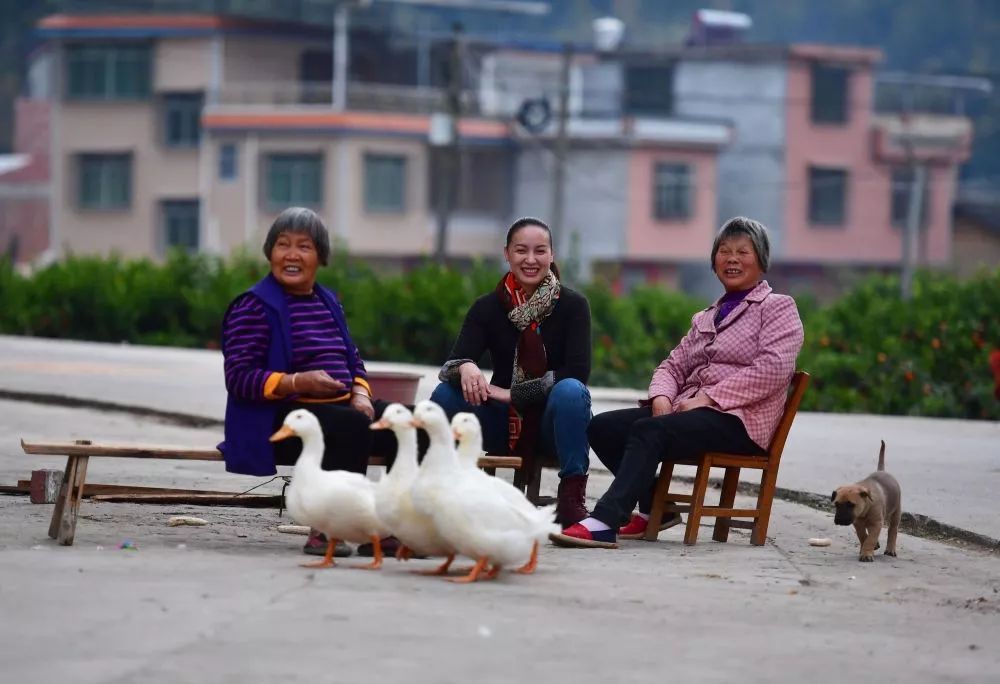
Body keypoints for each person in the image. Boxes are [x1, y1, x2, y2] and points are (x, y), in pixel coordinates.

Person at [552, 216, 804, 548]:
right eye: (724, 251)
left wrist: (709, 399)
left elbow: (773, 369)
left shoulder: (777, 307)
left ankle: (605, 521)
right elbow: (672, 365)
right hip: (691, 414)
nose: (732, 259)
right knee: (603, 427)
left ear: (761, 260)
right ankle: (657, 509)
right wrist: (661, 398)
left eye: (743, 252)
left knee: (649, 431)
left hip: (740, 421)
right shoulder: (705, 317)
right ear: (714, 261)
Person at [218, 207, 417, 558]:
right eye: (283, 245)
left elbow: (353, 361)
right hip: (279, 420)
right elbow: (239, 378)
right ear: (270, 253)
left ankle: (393, 527)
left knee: (412, 423)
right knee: (349, 424)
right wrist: (297, 382)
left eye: (304, 246)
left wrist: (360, 393)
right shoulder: (253, 306)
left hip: (339, 408)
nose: (292, 255)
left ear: (320, 257)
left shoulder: (328, 301)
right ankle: (327, 528)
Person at [430, 217, 593, 526]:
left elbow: (577, 371)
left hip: (551, 424)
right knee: (445, 394)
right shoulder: (487, 307)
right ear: (507, 253)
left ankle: (571, 501)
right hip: (500, 423)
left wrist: (514, 394)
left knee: (571, 390)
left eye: (539, 251)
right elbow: (451, 364)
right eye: (521, 250)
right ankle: (438, 488)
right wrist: (465, 366)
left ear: (552, 254)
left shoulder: (573, 306)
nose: (530, 260)